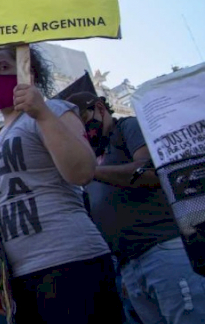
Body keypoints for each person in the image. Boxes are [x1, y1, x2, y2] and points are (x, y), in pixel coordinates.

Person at [0, 45, 123, 323]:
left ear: (26, 72)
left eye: (3, 68)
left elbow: (82, 171)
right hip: (19, 279)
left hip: (70, 261)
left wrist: (41, 112)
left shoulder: (54, 111)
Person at [68, 92, 205, 324]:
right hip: (129, 265)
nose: (80, 130)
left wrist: (91, 171)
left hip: (161, 251)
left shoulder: (127, 128)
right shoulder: (95, 153)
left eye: (81, 119)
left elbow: (149, 171)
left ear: (100, 109)